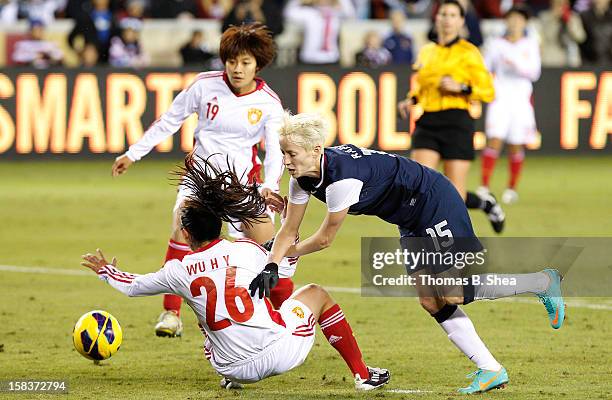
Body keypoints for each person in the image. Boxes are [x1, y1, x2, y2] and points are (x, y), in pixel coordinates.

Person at [252, 111, 566, 394]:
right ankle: (491, 370)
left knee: (452, 293)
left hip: (433, 200)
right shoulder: (301, 179)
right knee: (430, 299)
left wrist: (288, 254)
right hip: (408, 217)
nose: (286, 161)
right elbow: (288, 231)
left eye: (291, 153)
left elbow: (323, 239)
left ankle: (541, 283)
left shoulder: (340, 179)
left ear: (316, 150)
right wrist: (271, 265)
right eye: (283, 154)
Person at [81, 155, 390, 391]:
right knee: (316, 295)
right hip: (281, 353)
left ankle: (230, 380)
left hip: (230, 367)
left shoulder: (178, 270)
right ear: (220, 227)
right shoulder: (246, 251)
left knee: (202, 312)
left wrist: (106, 270)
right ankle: (363, 375)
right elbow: (285, 266)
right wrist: (286, 229)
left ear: (186, 234)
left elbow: (134, 285)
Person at [111, 23, 293, 338]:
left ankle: (290, 317)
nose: (237, 69)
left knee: (267, 251)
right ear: (224, 60)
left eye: (245, 63)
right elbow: (169, 120)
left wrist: (270, 186)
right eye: (232, 61)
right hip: (201, 178)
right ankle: (171, 314)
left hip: (241, 184)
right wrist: (133, 153)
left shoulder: (268, 103)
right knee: (181, 228)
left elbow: (274, 151)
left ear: (257, 65)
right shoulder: (203, 85)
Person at [397, 0, 504, 234]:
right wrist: (411, 100)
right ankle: (426, 243)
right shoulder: (427, 51)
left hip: (457, 122)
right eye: (443, 14)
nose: (447, 19)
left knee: (454, 195)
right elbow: (422, 88)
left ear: (461, 21)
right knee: (419, 186)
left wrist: (461, 87)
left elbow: (488, 91)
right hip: (429, 120)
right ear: (436, 19)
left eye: (453, 15)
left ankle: (485, 203)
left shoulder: (469, 52)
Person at [479, 5, 541, 204]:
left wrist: (514, 62)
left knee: (516, 145)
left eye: (519, 19)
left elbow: (534, 72)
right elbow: (485, 69)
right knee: (494, 141)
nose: (515, 23)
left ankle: (511, 188)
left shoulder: (530, 44)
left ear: (524, 23)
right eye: (511, 19)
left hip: (521, 103)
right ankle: (484, 186)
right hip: (500, 100)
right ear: (506, 21)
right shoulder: (496, 44)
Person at [283, 0, 356, 65]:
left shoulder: (337, 13)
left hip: (332, 57)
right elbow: (288, 13)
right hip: (309, 58)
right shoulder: (308, 13)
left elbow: (351, 13)